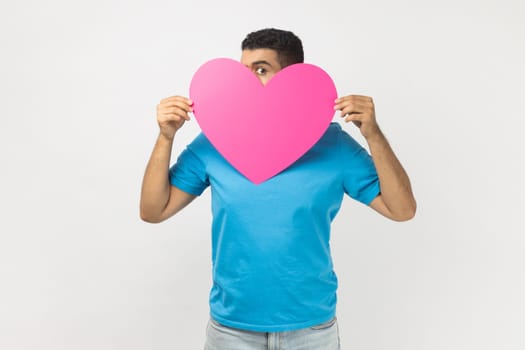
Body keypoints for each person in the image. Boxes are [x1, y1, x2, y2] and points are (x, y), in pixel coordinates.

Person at [140, 28, 416, 350]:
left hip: (312, 330)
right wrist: (166, 137)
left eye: (260, 70)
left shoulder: (335, 146)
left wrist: (373, 134)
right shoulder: (214, 144)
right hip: (231, 330)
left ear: (294, 79)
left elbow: (402, 209)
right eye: (242, 72)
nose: (246, 84)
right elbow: (153, 210)